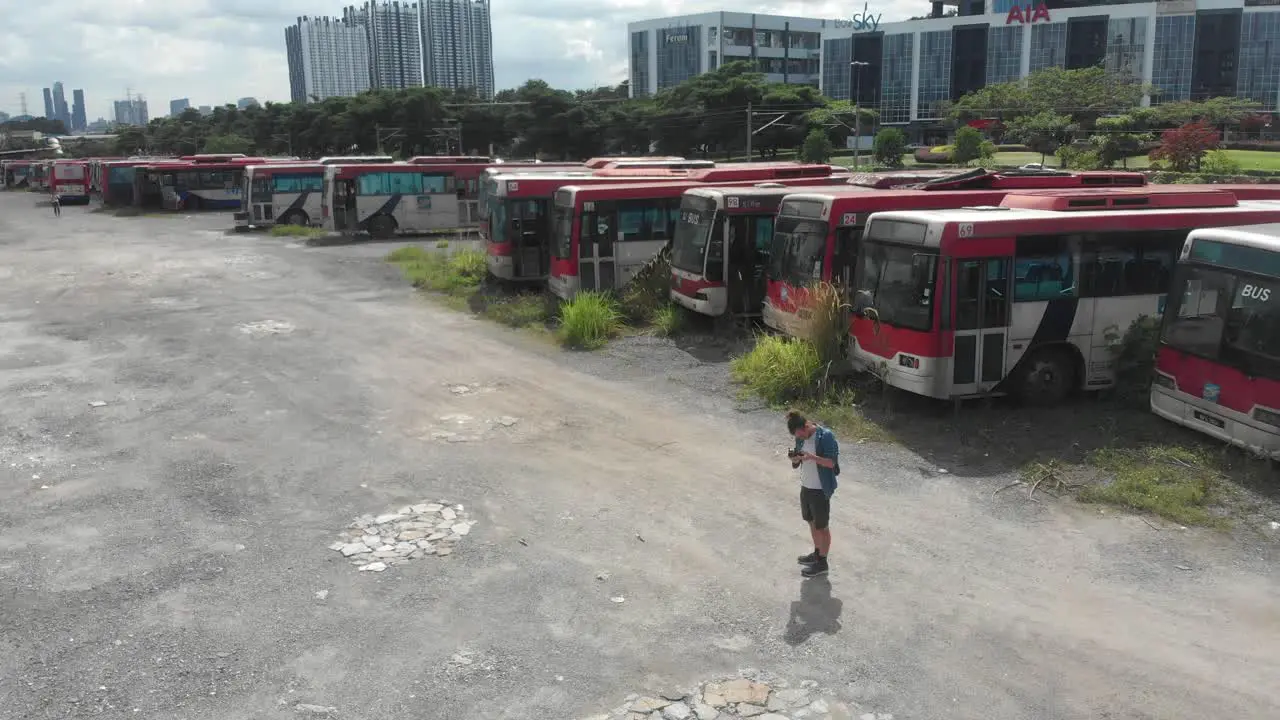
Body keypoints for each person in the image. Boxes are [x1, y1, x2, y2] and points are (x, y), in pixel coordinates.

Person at [787, 410, 839, 578]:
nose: (799, 438)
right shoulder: (799, 436)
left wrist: (812, 457)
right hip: (806, 487)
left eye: (800, 434)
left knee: (822, 527)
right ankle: (817, 554)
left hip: (820, 489)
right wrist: (796, 460)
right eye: (797, 436)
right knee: (811, 522)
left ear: (806, 426)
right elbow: (799, 458)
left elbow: (831, 463)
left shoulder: (826, 436)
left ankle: (822, 562)